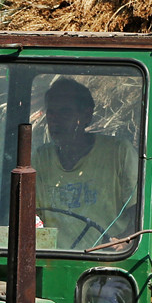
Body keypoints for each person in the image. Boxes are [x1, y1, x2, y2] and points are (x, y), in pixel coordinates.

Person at [34, 78, 139, 249]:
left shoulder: (119, 152)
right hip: (55, 260)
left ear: (86, 115)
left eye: (65, 112)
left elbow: (139, 213)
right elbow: (30, 214)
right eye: (51, 113)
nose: (55, 120)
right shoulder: (41, 158)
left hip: (108, 261)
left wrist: (125, 241)